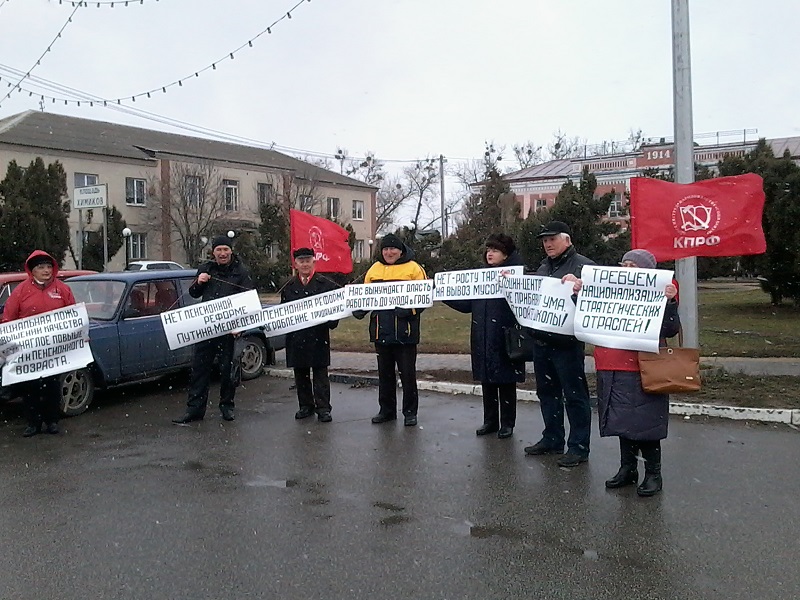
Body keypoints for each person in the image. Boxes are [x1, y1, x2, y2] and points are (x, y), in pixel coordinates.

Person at [564, 249, 680, 496]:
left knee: (646, 424)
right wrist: (580, 294)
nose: (627, 269)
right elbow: (589, 315)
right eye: (624, 264)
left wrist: (670, 302)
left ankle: (653, 473)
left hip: (644, 367)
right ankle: (628, 468)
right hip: (612, 365)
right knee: (622, 421)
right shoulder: (610, 292)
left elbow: (670, 329)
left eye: (634, 266)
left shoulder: (661, 291)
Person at [524, 221, 596, 467]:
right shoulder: (545, 267)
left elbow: (596, 302)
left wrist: (579, 288)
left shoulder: (584, 266)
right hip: (542, 340)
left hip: (567, 343)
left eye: (552, 239)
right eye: (545, 240)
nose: (548, 244)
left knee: (574, 396)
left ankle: (578, 446)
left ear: (567, 240)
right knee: (547, 393)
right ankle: (553, 438)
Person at [444, 234, 525, 439]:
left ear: (506, 254)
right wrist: (443, 294)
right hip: (482, 336)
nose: (490, 253)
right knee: (487, 381)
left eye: (495, 250)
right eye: (488, 249)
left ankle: (507, 423)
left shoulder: (516, 275)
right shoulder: (480, 277)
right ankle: (490, 420)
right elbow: (466, 305)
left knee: (506, 382)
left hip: (506, 337)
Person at [173, 235, 254, 424]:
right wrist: (199, 282)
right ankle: (195, 410)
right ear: (213, 252)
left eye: (226, 249)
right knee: (200, 370)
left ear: (231, 251)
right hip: (206, 328)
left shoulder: (241, 271)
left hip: (229, 330)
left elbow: (249, 300)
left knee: (227, 370)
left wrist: (239, 327)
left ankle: (227, 406)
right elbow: (194, 293)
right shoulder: (206, 269)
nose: (223, 253)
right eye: (219, 250)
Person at [353, 234, 426, 426]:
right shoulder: (374, 269)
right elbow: (366, 296)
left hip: (405, 333)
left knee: (407, 375)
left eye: (392, 249)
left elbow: (425, 297)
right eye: (385, 249)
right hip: (380, 332)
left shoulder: (414, 268)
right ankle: (386, 411)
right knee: (385, 376)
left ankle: (410, 412)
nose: (389, 252)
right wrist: (359, 308)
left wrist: (410, 309)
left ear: (400, 250)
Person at [2, 250, 77, 437]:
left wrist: (80, 335)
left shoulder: (62, 289)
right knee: (30, 388)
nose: (46, 271)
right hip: (28, 351)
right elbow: (9, 317)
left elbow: (74, 315)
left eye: (48, 266)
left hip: (53, 350)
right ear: (32, 270)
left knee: (52, 385)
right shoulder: (21, 291)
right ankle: (33, 423)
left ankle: (52, 421)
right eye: (41, 267)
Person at [281, 247, 339, 423]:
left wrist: (331, 319)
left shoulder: (325, 284)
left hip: (318, 336)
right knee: (301, 373)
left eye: (308, 260)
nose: (305, 264)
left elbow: (334, 310)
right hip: (296, 337)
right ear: (296, 264)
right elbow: (283, 312)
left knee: (320, 374)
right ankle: (305, 405)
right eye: (301, 261)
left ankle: (323, 408)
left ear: (314, 261)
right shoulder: (288, 286)